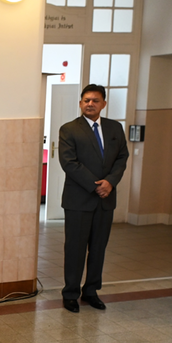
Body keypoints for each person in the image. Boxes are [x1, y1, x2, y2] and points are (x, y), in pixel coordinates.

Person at [58, 84, 129, 313]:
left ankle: (91, 291)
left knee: (98, 248)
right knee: (75, 249)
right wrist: (95, 185)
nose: (90, 104)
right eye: (86, 100)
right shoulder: (69, 129)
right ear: (80, 103)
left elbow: (122, 158)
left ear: (103, 104)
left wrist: (110, 182)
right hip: (79, 199)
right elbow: (69, 163)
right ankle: (70, 293)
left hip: (105, 200)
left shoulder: (115, 128)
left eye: (95, 100)